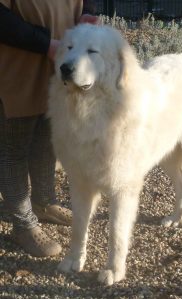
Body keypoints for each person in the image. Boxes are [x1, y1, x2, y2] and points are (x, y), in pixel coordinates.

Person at [0, 0, 98, 257]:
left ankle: (44, 202)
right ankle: (22, 224)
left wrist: (88, 12)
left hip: (60, 61)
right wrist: (45, 44)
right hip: (17, 65)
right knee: (13, 147)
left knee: (47, 135)